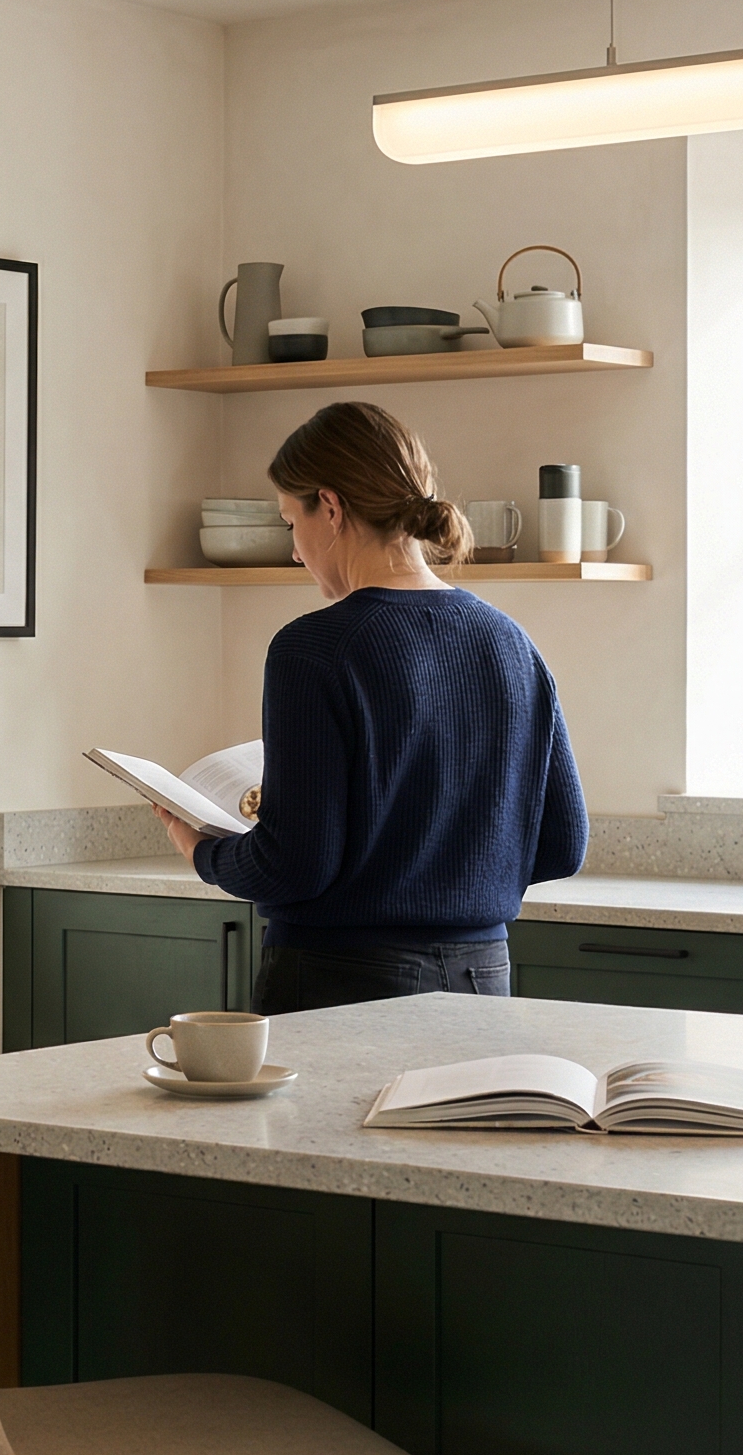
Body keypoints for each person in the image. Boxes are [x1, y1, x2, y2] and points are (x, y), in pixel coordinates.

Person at [157, 400, 587, 1012]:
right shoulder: (510, 643)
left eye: (290, 524)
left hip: (342, 984)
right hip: (485, 982)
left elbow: (294, 867)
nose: (296, 552)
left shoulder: (312, 649)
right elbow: (562, 845)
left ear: (329, 509)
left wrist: (202, 850)